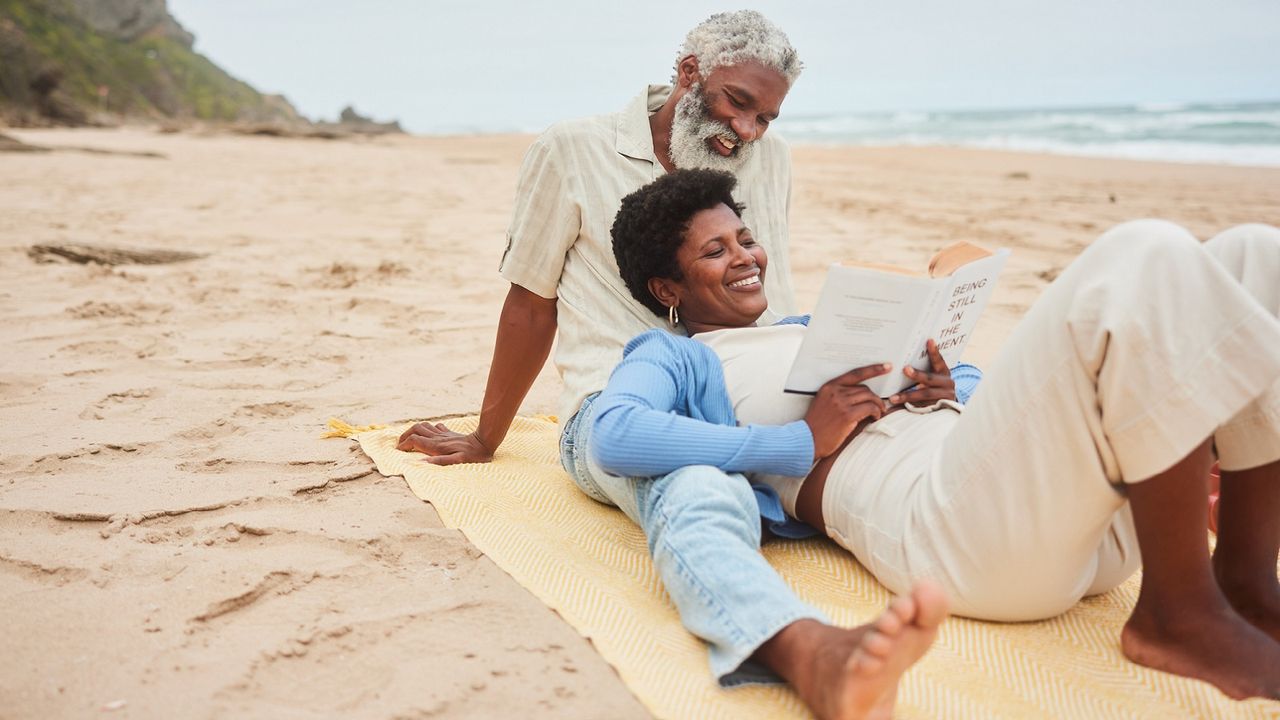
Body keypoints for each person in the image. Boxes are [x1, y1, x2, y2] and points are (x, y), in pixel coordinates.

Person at [584, 168, 1280, 701]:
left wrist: (949, 389)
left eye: (745, 237)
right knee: (1140, 254)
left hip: (1064, 522)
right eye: (715, 251)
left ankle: (1242, 579)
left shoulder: (806, 332)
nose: (746, 257)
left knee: (1258, 255)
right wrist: (802, 444)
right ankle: (1178, 615)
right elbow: (615, 435)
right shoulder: (677, 355)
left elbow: (986, 393)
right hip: (953, 536)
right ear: (668, 290)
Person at [396, 10, 804, 464]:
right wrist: (485, 438)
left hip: (761, 387)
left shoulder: (772, 156)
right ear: (690, 72)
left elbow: (773, 283)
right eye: (737, 102)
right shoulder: (573, 149)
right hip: (625, 405)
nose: (747, 131)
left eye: (765, 118)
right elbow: (531, 301)